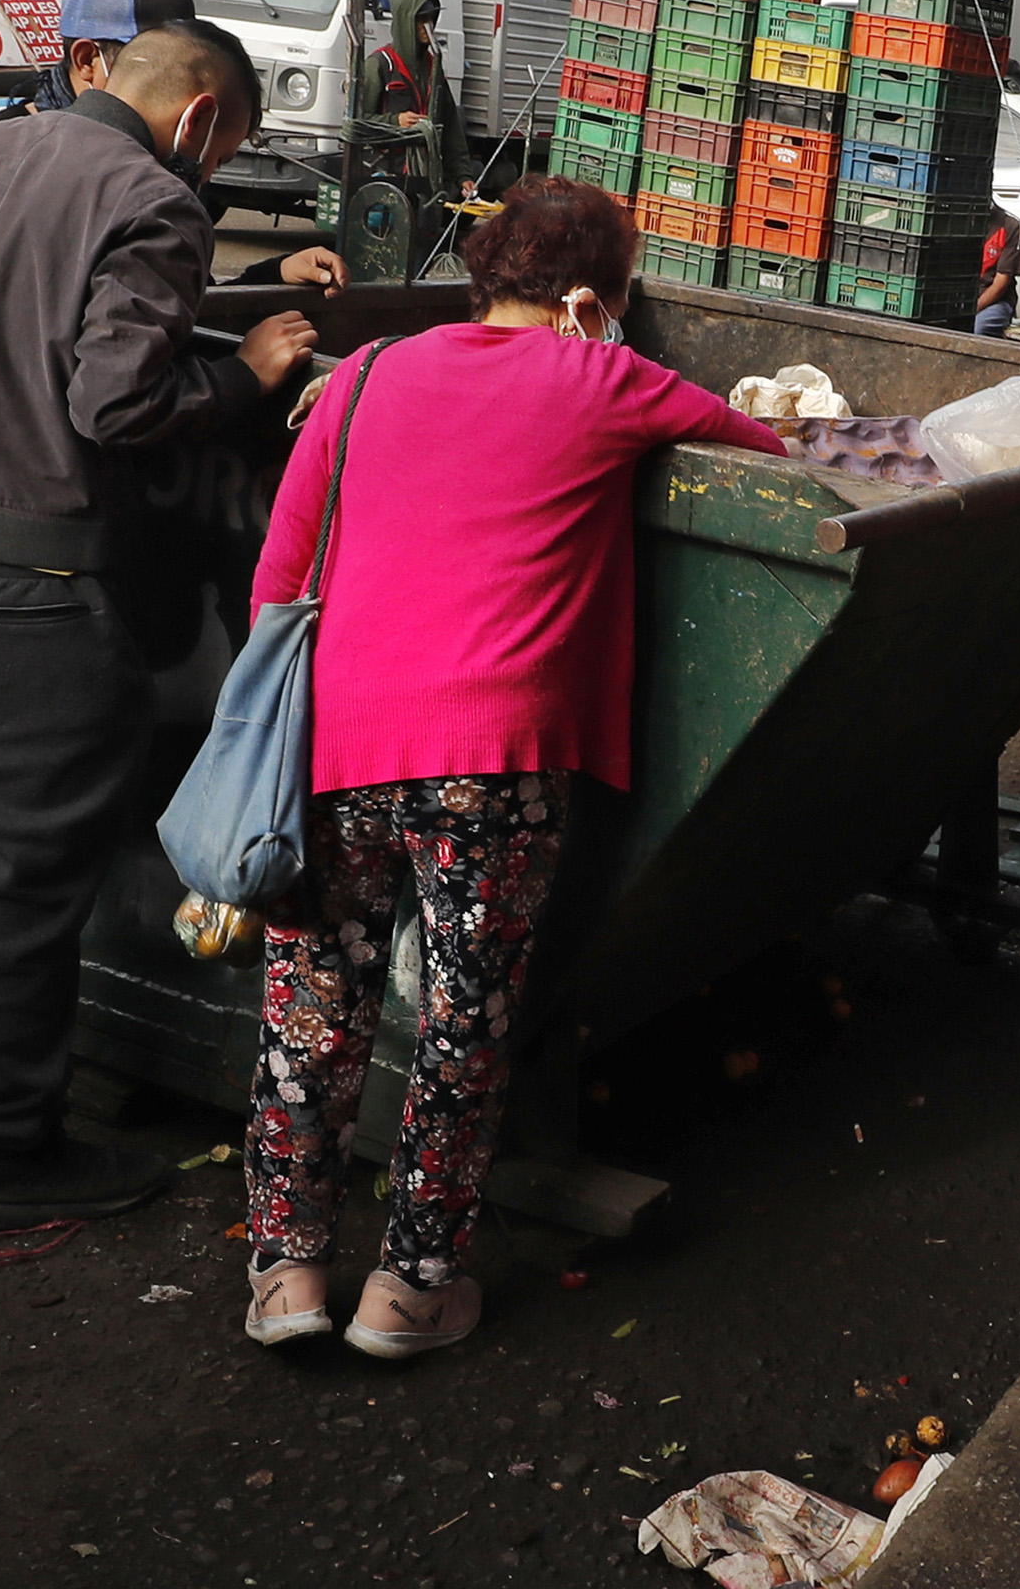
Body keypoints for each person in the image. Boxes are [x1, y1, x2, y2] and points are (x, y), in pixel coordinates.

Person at [237, 179, 786, 1357]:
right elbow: (768, 445)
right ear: (593, 295)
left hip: (340, 738)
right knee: (460, 1027)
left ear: (484, 279)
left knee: (312, 1011)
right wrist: (610, 358)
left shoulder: (367, 374)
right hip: (494, 761)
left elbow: (281, 571)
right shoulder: (606, 380)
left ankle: (287, 1278)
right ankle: (412, 1290)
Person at [0, 21, 323, 1233]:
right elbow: (117, 402)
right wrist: (246, 374)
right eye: (223, 149)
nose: (209, 168)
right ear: (199, 119)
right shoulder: (153, 200)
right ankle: (7, 1155)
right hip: (33, 603)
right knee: (19, 890)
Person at [18, 0, 347, 291]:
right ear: (87, 60)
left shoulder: (168, 175)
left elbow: (179, 302)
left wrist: (270, 277)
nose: (170, 83)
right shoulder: (26, 161)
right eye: (149, 59)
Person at [359, 0, 468, 201]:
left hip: (427, 176)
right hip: (386, 172)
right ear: (405, 22)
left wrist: (462, 176)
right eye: (421, 20)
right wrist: (395, 121)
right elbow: (358, 121)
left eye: (432, 18)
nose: (429, 25)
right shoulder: (379, 65)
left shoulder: (434, 67)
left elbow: (450, 126)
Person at [972, 206, 1020, 337]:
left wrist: (973, 309)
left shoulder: (1009, 225)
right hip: (959, 299)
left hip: (994, 301)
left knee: (977, 328)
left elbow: (1001, 283)